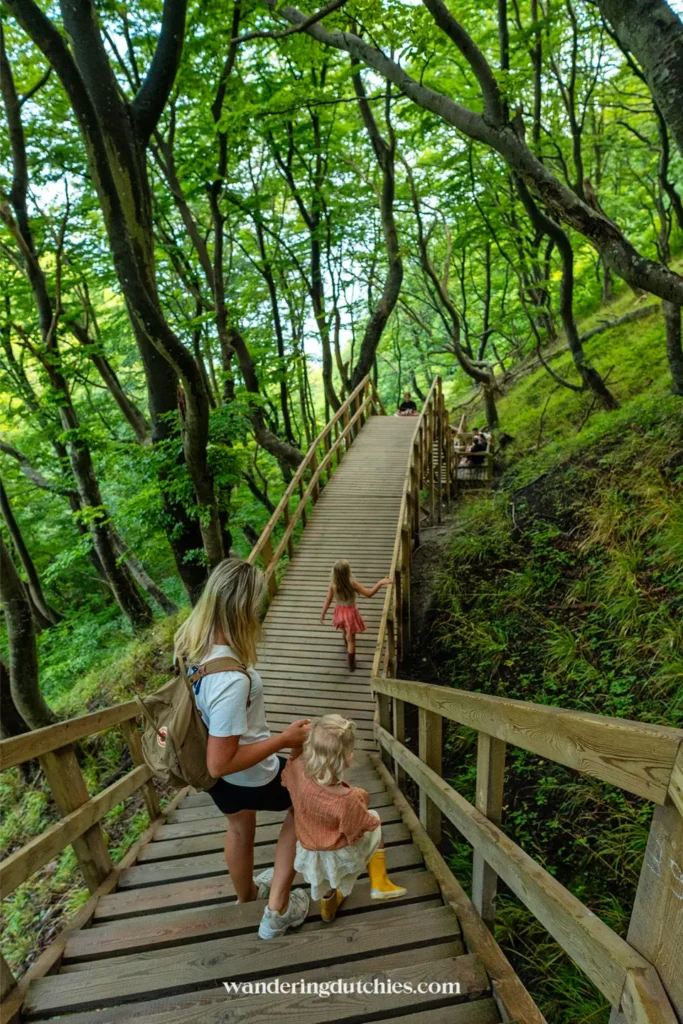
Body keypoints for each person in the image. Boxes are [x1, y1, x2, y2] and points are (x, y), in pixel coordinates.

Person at [174, 557, 311, 940]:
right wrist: (284, 740)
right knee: (305, 801)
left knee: (239, 824)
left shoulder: (194, 646)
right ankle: (278, 909)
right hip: (243, 772)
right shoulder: (232, 680)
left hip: (212, 771)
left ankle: (247, 896)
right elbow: (222, 763)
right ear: (244, 607)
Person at [282, 715, 407, 923]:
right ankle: (379, 882)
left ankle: (328, 910)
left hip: (309, 848)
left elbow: (290, 768)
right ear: (347, 758)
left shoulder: (297, 771)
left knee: (324, 882)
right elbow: (355, 828)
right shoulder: (347, 799)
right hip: (335, 851)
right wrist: (361, 799)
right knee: (374, 821)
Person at [320, 560, 391, 671]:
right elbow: (369, 593)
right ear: (348, 572)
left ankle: (346, 643)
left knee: (345, 630)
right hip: (350, 614)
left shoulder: (333, 585)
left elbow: (328, 600)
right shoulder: (352, 584)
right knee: (351, 640)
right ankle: (351, 665)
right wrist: (380, 582)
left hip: (339, 612)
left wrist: (323, 614)